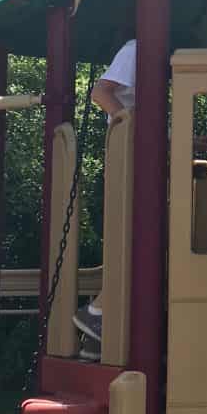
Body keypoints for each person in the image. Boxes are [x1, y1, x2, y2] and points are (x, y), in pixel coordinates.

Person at [74, 36, 137, 355]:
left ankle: (95, 342)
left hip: (134, 153)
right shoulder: (136, 49)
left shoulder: (155, 56)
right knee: (138, 241)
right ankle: (96, 311)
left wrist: (192, 141)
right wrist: (133, 125)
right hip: (128, 156)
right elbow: (100, 92)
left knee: (135, 241)